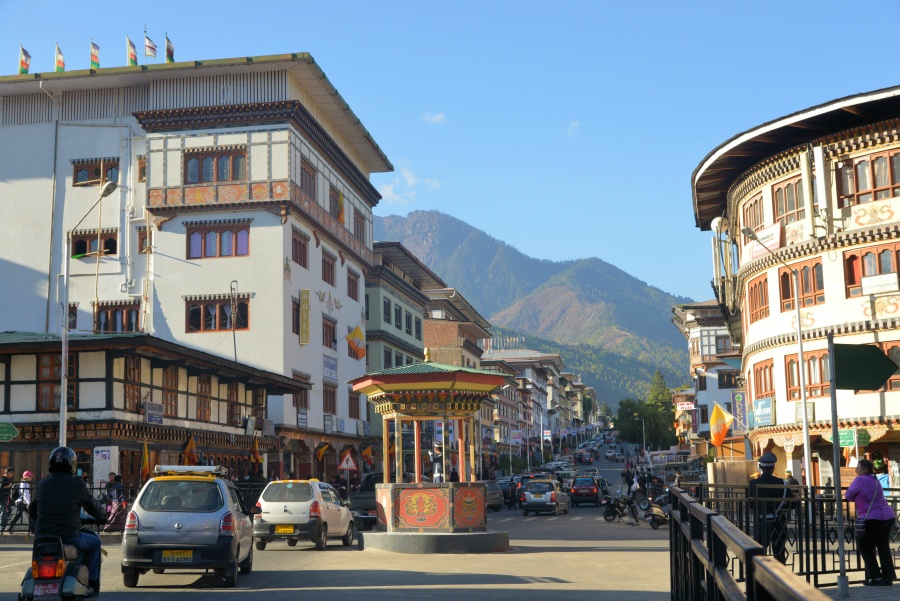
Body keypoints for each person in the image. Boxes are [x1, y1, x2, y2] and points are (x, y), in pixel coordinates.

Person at [29, 447, 105, 597]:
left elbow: (32, 511)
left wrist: (41, 525)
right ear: (72, 464)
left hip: (42, 538)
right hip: (69, 537)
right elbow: (94, 508)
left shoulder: (41, 485)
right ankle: (92, 584)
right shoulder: (77, 484)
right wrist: (103, 517)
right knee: (95, 543)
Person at [845, 459, 897, 586]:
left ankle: (875, 577)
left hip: (872, 517)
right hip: (888, 516)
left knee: (865, 547)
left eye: (858, 468)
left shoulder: (860, 480)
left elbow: (847, 495)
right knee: (883, 547)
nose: (856, 470)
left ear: (864, 470)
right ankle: (888, 577)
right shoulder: (875, 480)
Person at [748, 452, 793, 564]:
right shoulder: (782, 483)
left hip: (762, 523)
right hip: (779, 523)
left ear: (761, 467)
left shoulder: (753, 483)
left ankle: (759, 577)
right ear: (773, 467)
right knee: (779, 552)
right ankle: (780, 577)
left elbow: (750, 504)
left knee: (759, 553)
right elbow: (792, 504)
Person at [0, 467, 14, 532]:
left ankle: (4, 525)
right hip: (3, 497)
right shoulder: (3, 478)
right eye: (12, 473)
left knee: (8, 511)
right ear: (7, 472)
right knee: (4, 511)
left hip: (7, 497)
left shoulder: (8, 479)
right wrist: (9, 486)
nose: (12, 474)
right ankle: (2, 526)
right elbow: (1, 487)